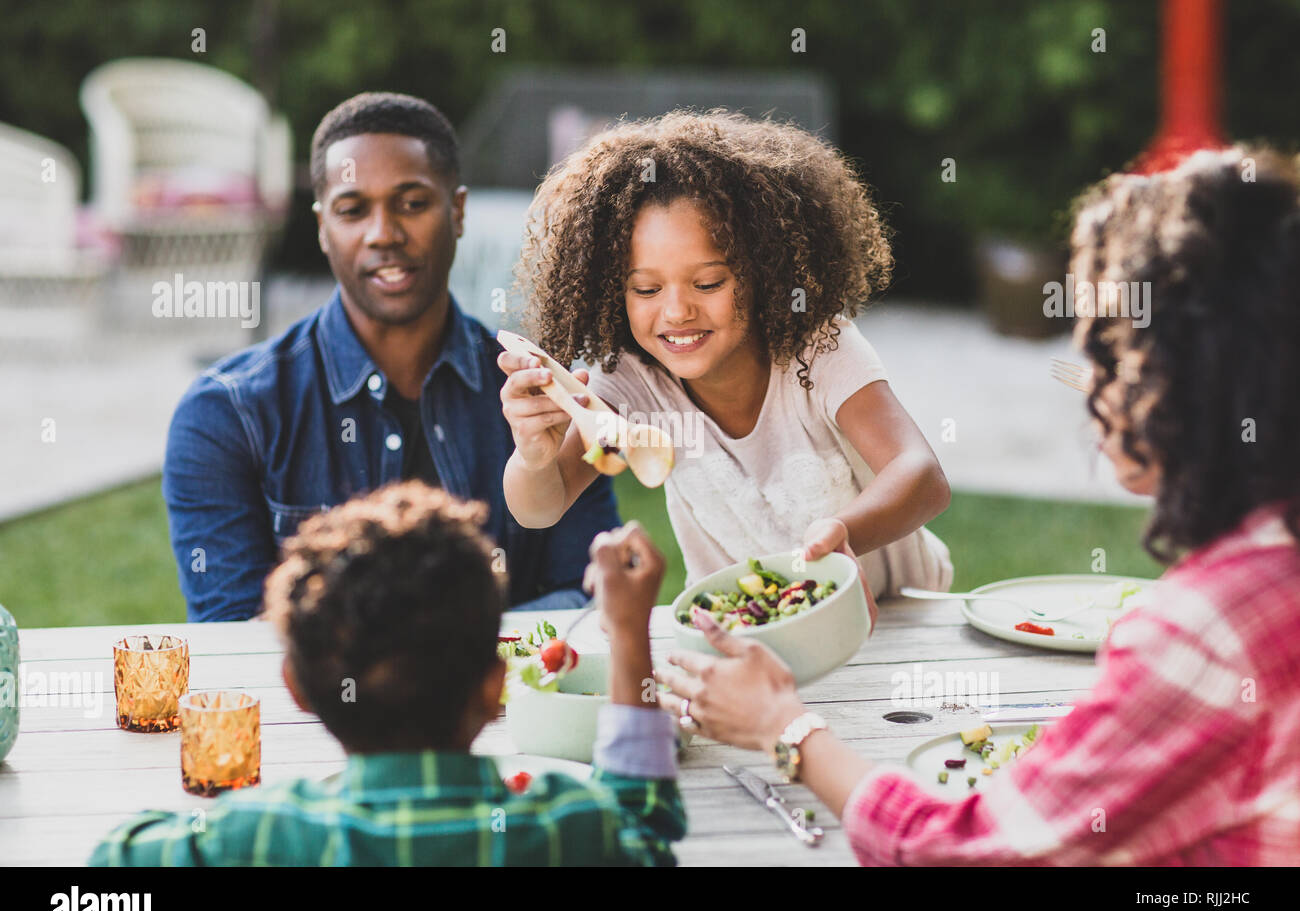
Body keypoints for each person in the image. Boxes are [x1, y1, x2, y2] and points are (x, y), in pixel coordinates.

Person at [653, 147, 1300, 865]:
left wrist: (785, 726)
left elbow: (959, 853)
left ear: (1191, 380)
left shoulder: (1205, 633)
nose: (1089, 387)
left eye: (1112, 354)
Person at [163, 92, 619, 621]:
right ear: (321, 228)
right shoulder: (225, 415)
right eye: (353, 210)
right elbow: (233, 636)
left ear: (458, 212)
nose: (384, 234)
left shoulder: (550, 394)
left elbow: (589, 597)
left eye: (412, 203)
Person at [91, 484, 684, 866]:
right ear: (493, 686)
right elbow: (645, 826)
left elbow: (111, 863)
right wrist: (629, 634)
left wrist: (217, 824)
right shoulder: (564, 829)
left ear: (297, 690)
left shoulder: (265, 836)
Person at [499, 111, 952, 604]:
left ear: (763, 268)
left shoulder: (818, 349)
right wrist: (535, 457)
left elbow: (922, 478)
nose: (676, 311)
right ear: (613, 293)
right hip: (744, 631)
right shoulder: (631, 385)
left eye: (709, 283)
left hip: (898, 613)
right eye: (646, 288)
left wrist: (841, 534)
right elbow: (539, 508)